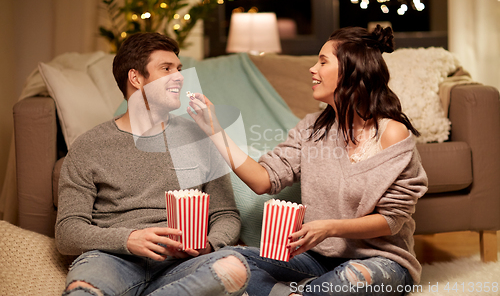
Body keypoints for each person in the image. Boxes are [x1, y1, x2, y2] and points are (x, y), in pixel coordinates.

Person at [187, 25, 428, 296]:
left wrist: (328, 228)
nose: (312, 69)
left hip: (380, 260)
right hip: (317, 259)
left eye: (323, 62)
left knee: (354, 278)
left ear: (352, 71)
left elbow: (392, 220)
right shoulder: (311, 128)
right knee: (228, 260)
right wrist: (214, 130)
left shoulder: (391, 132)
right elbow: (263, 180)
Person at [55, 32, 249, 296]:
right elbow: (67, 232)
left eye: (179, 69)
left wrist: (210, 245)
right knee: (82, 293)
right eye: (166, 69)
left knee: (235, 269)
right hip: (112, 259)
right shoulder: (89, 146)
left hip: (184, 263)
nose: (179, 76)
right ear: (136, 78)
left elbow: (225, 214)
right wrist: (129, 239)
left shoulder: (201, 137)